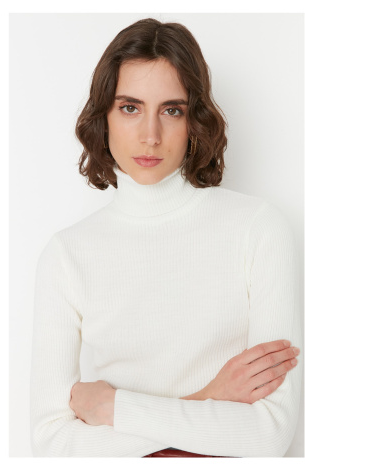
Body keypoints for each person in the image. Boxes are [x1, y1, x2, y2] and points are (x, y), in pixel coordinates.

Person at [30, 17, 302, 458]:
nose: (150, 136)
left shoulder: (258, 229)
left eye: (171, 110)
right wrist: (210, 397)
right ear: (104, 116)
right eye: (130, 108)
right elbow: (53, 444)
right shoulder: (67, 255)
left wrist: (114, 408)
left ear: (195, 120)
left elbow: (269, 434)